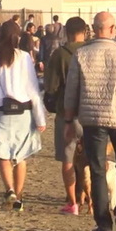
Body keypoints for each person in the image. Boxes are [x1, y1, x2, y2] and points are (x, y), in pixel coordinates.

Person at [63, 12, 116, 231]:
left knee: (98, 170)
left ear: (93, 28)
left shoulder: (81, 55)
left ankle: (104, 225)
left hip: (91, 119)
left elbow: (71, 92)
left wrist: (69, 121)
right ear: (112, 29)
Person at [0, 21, 46, 212]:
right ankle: (19, 198)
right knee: (21, 156)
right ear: (17, 37)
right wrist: (40, 118)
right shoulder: (23, 57)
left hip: (0, 112)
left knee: (2, 154)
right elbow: (33, 89)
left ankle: (10, 190)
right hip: (23, 111)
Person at [43, 17, 87, 215]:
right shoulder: (92, 51)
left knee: (68, 158)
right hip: (91, 112)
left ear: (66, 32)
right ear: (85, 32)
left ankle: (72, 202)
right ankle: (91, 198)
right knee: (92, 158)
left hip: (66, 112)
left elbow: (50, 86)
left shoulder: (60, 54)